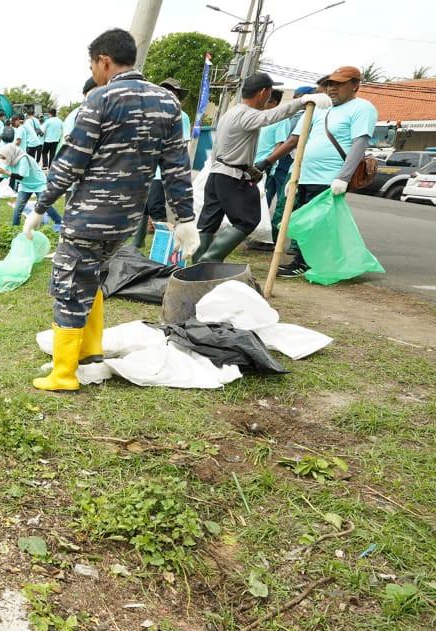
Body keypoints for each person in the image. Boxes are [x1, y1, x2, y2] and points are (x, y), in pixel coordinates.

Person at [23, 28, 198, 392]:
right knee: (94, 277)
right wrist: (185, 218)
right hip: (125, 221)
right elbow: (176, 168)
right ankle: (88, 353)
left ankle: (64, 374)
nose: (93, 71)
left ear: (104, 61)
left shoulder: (101, 99)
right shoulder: (168, 103)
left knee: (70, 287)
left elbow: (71, 161)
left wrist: (40, 206)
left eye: (92, 65)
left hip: (88, 217)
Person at [193, 74, 332, 263]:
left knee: (209, 222)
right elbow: (270, 116)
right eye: (269, 92)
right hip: (231, 176)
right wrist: (302, 101)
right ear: (263, 92)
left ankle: (197, 267)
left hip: (217, 173)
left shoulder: (231, 112)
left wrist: (251, 169)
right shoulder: (246, 114)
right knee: (247, 220)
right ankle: (209, 259)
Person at [262, 66, 378, 277]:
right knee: (303, 220)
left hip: (329, 178)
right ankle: (309, 261)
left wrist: (343, 177)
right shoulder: (318, 108)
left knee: (316, 224)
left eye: (339, 84)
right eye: (330, 84)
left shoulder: (362, 108)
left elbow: (359, 143)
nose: (332, 88)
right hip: (304, 175)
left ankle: (303, 263)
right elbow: (297, 141)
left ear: (355, 85)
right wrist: (290, 173)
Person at [131, 78, 192, 249]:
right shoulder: (148, 113)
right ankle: (136, 244)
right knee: (142, 207)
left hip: (161, 171)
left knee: (156, 209)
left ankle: (168, 248)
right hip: (144, 169)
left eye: (173, 93)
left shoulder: (181, 116)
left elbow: (182, 146)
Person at [255, 86, 313, 247]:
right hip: (277, 162)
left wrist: (269, 162)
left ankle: (278, 239)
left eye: (300, 97)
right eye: (296, 96)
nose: (296, 100)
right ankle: (263, 233)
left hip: (286, 162)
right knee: (265, 198)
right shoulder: (288, 115)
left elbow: (285, 143)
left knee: (287, 201)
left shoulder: (302, 116)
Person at [8, 148, 62, 231]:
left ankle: (59, 221)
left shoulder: (24, 158)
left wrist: (6, 172)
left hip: (39, 183)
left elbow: (21, 176)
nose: (2, 159)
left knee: (45, 204)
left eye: (3, 157)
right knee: (18, 207)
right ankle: (14, 228)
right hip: (25, 185)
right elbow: (2, 175)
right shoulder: (8, 160)